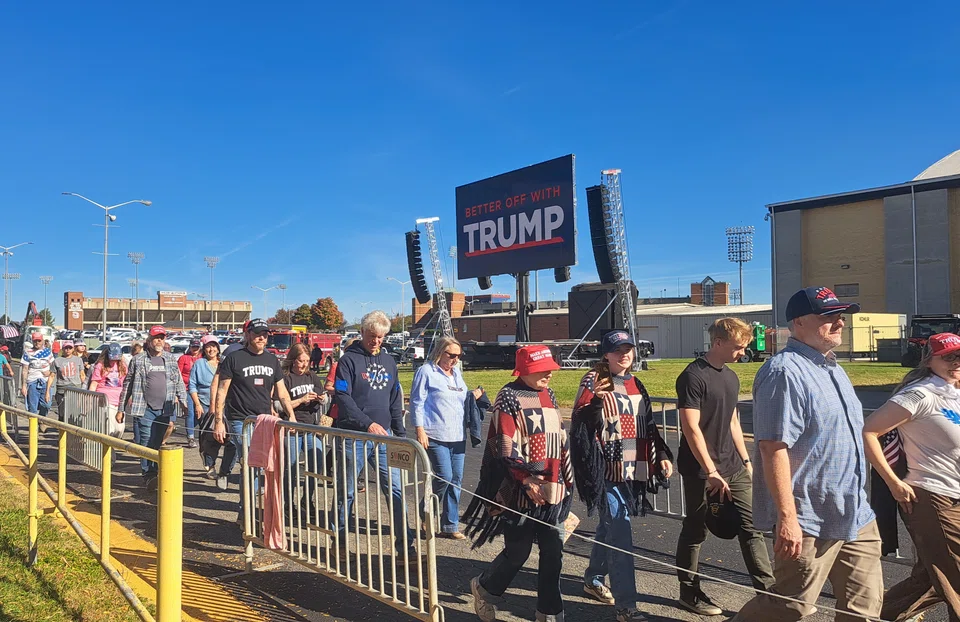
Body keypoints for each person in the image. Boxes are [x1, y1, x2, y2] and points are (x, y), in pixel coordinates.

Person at [732, 286, 881, 622]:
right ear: (798, 322)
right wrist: (788, 519)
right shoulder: (784, 372)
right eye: (828, 316)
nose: (840, 323)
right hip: (810, 516)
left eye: (840, 316)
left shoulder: (833, 369)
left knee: (865, 610)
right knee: (790, 607)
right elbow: (772, 448)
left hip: (855, 511)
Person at [570, 331, 674, 622]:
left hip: (633, 469)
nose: (624, 354)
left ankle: (592, 578)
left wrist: (661, 456)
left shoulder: (636, 382)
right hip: (605, 470)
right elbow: (579, 424)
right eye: (617, 350)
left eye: (628, 349)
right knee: (620, 532)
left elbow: (649, 424)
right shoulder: (594, 380)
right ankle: (627, 606)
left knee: (610, 528)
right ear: (606, 354)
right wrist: (593, 406)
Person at [464, 344, 573, 622]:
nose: (549, 374)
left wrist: (564, 478)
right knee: (518, 553)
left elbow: (559, 436)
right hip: (520, 491)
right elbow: (505, 445)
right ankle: (484, 588)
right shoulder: (508, 396)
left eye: (550, 368)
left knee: (553, 553)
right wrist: (525, 478)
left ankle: (549, 612)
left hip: (551, 487)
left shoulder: (549, 393)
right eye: (542, 369)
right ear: (523, 370)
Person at [674, 318, 774, 616]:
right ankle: (689, 592)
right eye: (738, 347)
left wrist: (746, 461)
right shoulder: (692, 376)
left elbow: (732, 420)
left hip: (734, 467)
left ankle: (770, 599)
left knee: (751, 528)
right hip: (701, 471)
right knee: (696, 530)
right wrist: (711, 472)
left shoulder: (731, 376)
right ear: (718, 343)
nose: (743, 353)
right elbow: (691, 429)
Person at [864, 332, 960, 621]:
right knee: (955, 575)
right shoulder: (920, 394)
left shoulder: (953, 392)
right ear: (930, 360)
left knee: (929, 578)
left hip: (955, 495)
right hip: (931, 495)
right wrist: (893, 483)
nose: (956, 362)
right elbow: (869, 430)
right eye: (949, 356)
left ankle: (865, 617)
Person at [331, 310, 414, 565]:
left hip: (385, 436)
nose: (376, 341)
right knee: (346, 491)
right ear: (363, 333)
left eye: (380, 337)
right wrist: (367, 424)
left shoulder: (389, 362)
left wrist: (399, 433)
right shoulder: (348, 361)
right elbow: (342, 397)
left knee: (396, 490)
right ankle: (340, 543)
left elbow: (393, 399)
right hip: (354, 435)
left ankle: (404, 547)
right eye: (372, 336)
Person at [212, 319, 295, 503]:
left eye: (264, 334)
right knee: (251, 463)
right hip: (241, 419)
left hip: (264, 420)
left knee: (259, 465)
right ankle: (247, 511)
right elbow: (222, 390)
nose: (261, 338)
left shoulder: (272, 360)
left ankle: (248, 511)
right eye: (257, 334)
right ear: (248, 334)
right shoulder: (235, 358)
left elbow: (282, 392)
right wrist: (218, 421)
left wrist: (292, 416)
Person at [410, 336, 481, 540]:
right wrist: (420, 429)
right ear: (440, 352)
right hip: (435, 434)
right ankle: (427, 511)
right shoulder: (426, 372)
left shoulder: (457, 373)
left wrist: (473, 395)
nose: (455, 360)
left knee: (456, 480)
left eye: (458, 356)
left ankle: (450, 524)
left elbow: (461, 396)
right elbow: (417, 402)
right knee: (444, 476)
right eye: (451, 355)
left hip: (458, 434)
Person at [118, 325, 189, 491]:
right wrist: (121, 408)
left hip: (165, 408)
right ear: (149, 340)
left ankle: (155, 472)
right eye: (156, 337)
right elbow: (127, 384)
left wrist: (184, 402)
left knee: (157, 442)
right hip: (144, 408)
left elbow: (178, 381)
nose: (159, 341)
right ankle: (148, 475)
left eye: (162, 337)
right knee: (146, 440)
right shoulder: (138, 360)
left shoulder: (170, 359)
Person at [282, 342, 327, 516]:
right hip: (291, 428)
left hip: (310, 426)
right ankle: (288, 502)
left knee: (317, 463)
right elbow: (279, 405)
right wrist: (301, 400)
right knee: (291, 468)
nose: (304, 365)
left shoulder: (312, 376)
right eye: (301, 361)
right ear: (293, 360)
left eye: (307, 361)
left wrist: (321, 398)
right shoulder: (286, 378)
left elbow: (322, 397)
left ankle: (307, 498)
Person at [190, 335, 221, 478]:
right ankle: (210, 464)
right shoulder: (199, 364)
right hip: (204, 404)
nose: (211, 349)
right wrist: (197, 404)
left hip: (222, 404)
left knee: (224, 437)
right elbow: (192, 385)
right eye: (208, 346)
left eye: (214, 346)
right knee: (209, 437)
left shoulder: (224, 363)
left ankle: (222, 466)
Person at [89, 343, 127, 438]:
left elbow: (126, 384)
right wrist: (89, 400)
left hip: (120, 401)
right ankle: (109, 450)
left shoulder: (123, 366)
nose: (114, 360)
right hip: (105, 400)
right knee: (110, 428)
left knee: (119, 429)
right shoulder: (100, 366)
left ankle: (112, 446)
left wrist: (130, 399)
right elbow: (94, 384)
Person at [48, 341, 86, 423]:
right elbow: (52, 376)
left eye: (70, 348)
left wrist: (85, 389)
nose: (68, 350)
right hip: (61, 390)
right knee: (62, 414)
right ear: (62, 349)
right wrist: (47, 391)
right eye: (66, 348)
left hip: (75, 390)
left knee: (74, 414)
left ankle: (72, 433)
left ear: (73, 349)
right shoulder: (57, 361)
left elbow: (82, 375)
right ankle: (62, 433)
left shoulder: (78, 360)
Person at [21, 332, 54, 418]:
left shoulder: (48, 352)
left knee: (47, 404)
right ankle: (33, 428)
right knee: (32, 408)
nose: (37, 343)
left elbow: (54, 368)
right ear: (32, 341)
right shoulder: (28, 353)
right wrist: (24, 386)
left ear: (42, 341)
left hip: (45, 382)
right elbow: (25, 369)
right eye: (35, 341)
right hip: (32, 382)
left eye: (39, 341)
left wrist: (50, 372)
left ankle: (41, 420)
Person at [178, 339, 202, 448]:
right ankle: (191, 437)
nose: (195, 349)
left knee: (201, 414)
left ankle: (191, 428)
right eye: (193, 347)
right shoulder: (184, 358)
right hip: (187, 388)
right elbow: (178, 373)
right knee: (190, 412)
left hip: (200, 389)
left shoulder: (202, 358)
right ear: (190, 347)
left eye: (197, 347)